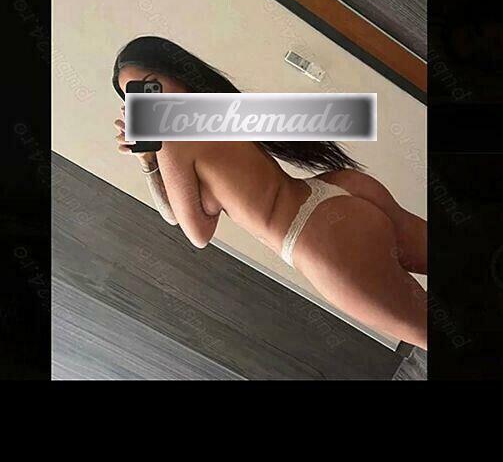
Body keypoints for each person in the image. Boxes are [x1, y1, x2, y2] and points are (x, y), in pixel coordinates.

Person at [113, 36, 427, 349]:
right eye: (137, 96)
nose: (149, 103)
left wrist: (150, 160)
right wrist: (149, 157)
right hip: (339, 188)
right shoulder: (217, 105)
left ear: (173, 71)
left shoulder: (172, 141)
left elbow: (196, 233)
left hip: (320, 238)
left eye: (151, 86)